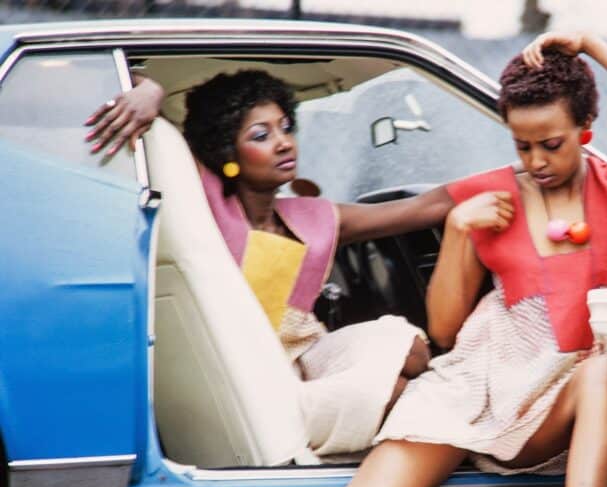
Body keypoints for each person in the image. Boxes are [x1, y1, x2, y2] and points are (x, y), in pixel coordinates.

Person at [60, 31, 607, 487]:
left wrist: (594, 48)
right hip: (473, 380)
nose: (535, 161)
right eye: (520, 145)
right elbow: (444, 329)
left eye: (550, 143)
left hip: (559, 388)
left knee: (605, 372)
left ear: (587, 126)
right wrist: (459, 234)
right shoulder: (487, 195)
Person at [92, 70, 456, 458]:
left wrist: (521, 174)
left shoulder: (312, 216)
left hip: (311, 359)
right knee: (404, 393)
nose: (283, 143)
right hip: (262, 380)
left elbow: (425, 207)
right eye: (261, 136)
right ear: (225, 154)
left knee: (412, 348)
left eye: (285, 128)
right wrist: (152, 89)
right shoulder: (206, 211)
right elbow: (132, 76)